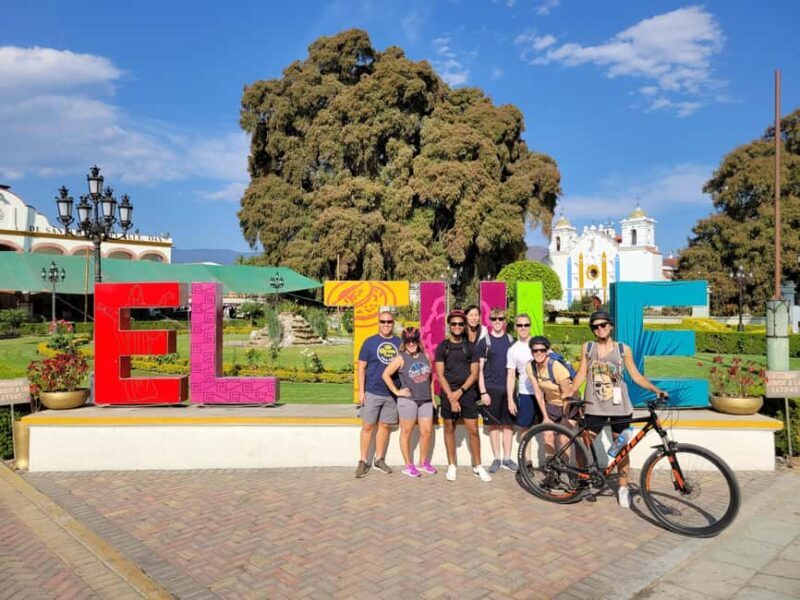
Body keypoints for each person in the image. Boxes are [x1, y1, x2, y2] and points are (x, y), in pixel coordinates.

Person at [572, 310, 667, 508]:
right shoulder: (588, 348)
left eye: (603, 325)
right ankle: (583, 480)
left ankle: (623, 488)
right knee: (584, 443)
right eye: (595, 326)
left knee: (620, 448)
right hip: (594, 406)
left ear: (611, 326)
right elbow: (581, 373)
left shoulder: (623, 349)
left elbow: (635, 375)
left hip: (620, 407)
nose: (600, 329)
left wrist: (655, 389)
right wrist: (571, 391)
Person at [434, 309, 492, 482]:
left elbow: (474, 373)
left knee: (473, 430)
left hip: (467, 393)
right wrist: (451, 396)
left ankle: (478, 465)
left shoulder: (471, 347)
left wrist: (458, 394)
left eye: (460, 324)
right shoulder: (442, 347)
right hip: (447, 393)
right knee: (449, 429)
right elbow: (440, 373)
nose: (458, 327)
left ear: (464, 325)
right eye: (454, 324)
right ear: (449, 326)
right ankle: (452, 465)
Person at [382, 327, 437, 478]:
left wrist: (432, 397)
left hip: (425, 399)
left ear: (418, 341)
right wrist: (396, 391)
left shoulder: (425, 355)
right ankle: (408, 465)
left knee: (426, 432)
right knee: (406, 432)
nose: (411, 344)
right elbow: (385, 374)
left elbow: (430, 379)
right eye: (408, 341)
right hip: (408, 400)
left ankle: (423, 462)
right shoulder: (401, 358)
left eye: (413, 341)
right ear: (404, 342)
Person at [355, 311, 401, 478]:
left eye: (389, 321)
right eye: (383, 321)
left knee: (385, 426)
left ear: (393, 323)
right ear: (378, 323)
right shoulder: (369, 343)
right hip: (372, 392)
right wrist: (361, 391)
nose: (386, 324)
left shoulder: (399, 343)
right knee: (367, 427)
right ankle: (363, 461)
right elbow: (361, 368)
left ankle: (379, 459)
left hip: (391, 393)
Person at [476, 307, 515, 473]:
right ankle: (497, 458)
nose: (497, 322)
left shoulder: (511, 341)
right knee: (493, 425)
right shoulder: (484, 342)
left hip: (509, 389)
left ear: (505, 321)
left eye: (500, 319)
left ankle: (507, 458)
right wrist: (483, 392)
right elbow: (479, 370)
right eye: (494, 319)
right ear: (490, 321)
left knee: (507, 424)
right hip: (491, 389)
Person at [525, 335, 576, 426]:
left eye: (542, 350)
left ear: (548, 351)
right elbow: (539, 394)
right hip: (552, 405)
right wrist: (545, 417)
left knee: (564, 438)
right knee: (548, 437)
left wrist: (564, 418)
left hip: (569, 405)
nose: (539, 353)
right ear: (531, 352)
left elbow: (567, 396)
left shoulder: (556, 367)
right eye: (535, 350)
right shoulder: (531, 367)